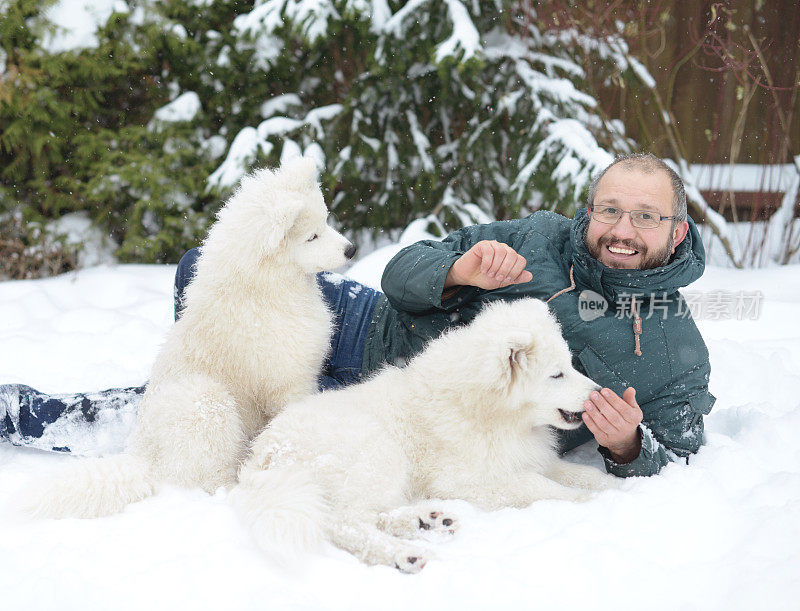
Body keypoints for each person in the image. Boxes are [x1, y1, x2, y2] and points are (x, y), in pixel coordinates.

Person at [0, 152, 715, 477]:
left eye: (645, 217)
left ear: (676, 230)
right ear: (590, 210)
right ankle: (202, 413)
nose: (622, 229)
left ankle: (82, 418)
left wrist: (628, 448)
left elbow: (680, 453)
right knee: (203, 268)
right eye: (611, 209)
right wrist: (454, 271)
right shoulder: (538, 236)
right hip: (365, 326)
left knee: (242, 403)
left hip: (409, 415)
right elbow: (404, 269)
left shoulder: (675, 351)